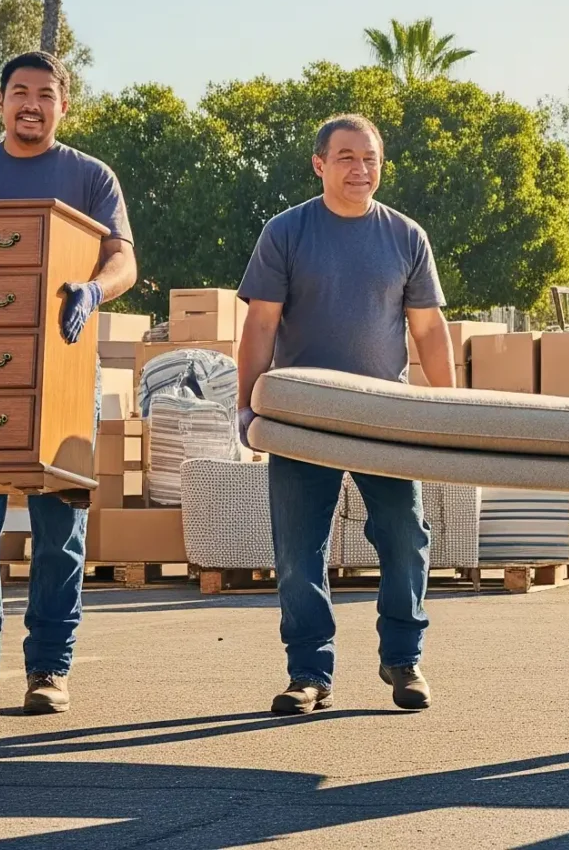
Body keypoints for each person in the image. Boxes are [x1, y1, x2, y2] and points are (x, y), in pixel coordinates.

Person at [0, 51, 138, 719]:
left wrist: (93, 290)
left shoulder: (89, 176)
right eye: (19, 92)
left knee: (59, 524)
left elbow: (123, 258)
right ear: (0, 102)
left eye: (45, 94)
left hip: (62, 372)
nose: (31, 104)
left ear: (62, 106)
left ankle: (49, 669)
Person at [235, 114, 457, 715]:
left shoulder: (406, 236)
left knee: (406, 536)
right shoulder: (286, 232)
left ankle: (403, 659)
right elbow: (260, 324)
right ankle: (309, 673)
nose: (361, 169)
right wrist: (247, 407)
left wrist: (450, 409)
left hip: (385, 418)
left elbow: (428, 329)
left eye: (370, 159)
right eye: (346, 158)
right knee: (298, 548)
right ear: (319, 164)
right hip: (302, 418)